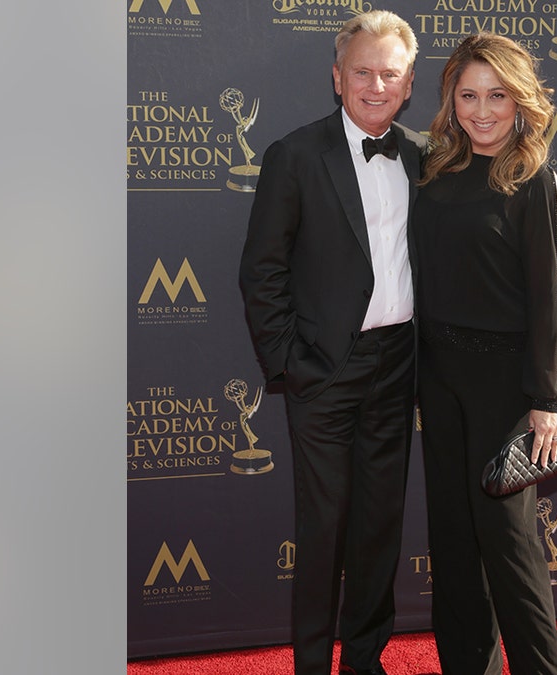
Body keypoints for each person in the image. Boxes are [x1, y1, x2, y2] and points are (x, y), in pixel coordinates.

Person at [238, 11, 426, 675]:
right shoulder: (295, 155)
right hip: (324, 370)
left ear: (408, 84)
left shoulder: (426, 154)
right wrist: (291, 364)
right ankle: (313, 664)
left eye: (391, 73)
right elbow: (260, 270)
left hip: (399, 363)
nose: (377, 84)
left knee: (379, 528)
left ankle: (365, 661)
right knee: (324, 530)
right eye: (363, 71)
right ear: (338, 78)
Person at [413, 34, 557, 675]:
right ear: (451, 100)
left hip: (506, 387)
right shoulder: (434, 173)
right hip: (440, 377)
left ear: (522, 101)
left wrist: (547, 403)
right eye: (469, 95)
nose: (482, 111)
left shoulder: (534, 180)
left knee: (509, 547)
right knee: (452, 542)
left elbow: (548, 301)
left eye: (498, 96)